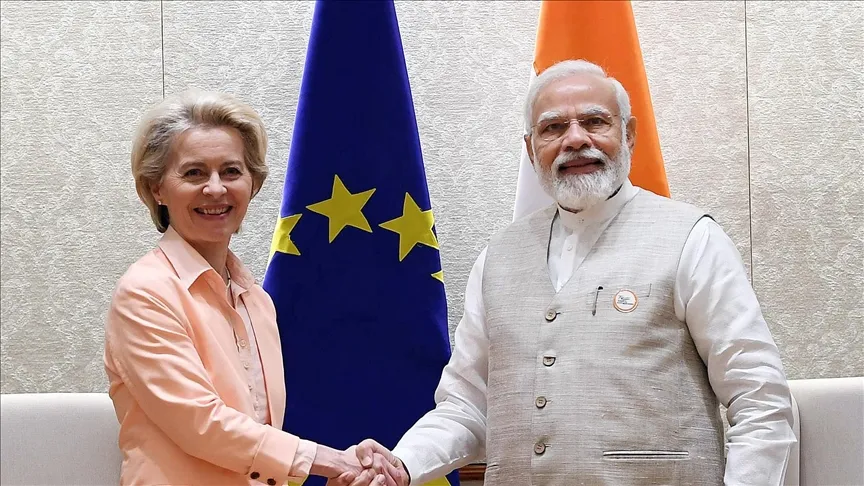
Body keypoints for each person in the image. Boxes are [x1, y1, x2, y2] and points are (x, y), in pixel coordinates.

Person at [353, 60, 797, 485]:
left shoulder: (693, 239)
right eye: (552, 128)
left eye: (595, 121)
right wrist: (403, 464)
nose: (575, 139)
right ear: (531, 149)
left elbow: (759, 399)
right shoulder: (497, 256)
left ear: (629, 134)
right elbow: (467, 405)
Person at [104, 90, 391, 486]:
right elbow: (201, 423)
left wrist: (347, 471)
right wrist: (329, 461)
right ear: (157, 188)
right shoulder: (144, 294)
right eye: (194, 173)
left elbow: (258, 439)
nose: (215, 189)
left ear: (252, 183)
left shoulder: (257, 300)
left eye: (231, 171)